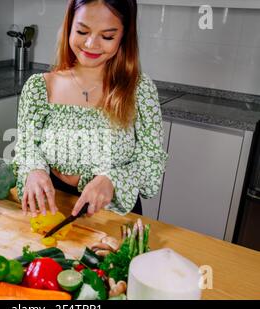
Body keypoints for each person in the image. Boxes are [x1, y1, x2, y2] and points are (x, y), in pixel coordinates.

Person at [12, 0, 168, 218]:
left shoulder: (139, 89)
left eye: (107, 36)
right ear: (69, 27)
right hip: (53, 207)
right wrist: (34, 170)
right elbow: (27, 147)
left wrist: (112, 181)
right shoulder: (39, 87)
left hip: (111, 216)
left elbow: (151, 161)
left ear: (124, 36)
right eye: (82, 31)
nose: (91, 44)